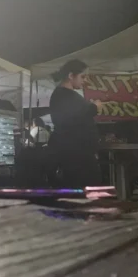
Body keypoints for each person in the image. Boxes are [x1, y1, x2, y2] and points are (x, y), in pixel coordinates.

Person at [49, 59, 102, 188]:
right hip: (76, 157)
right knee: (84, 193)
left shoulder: (66, 95)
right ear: (71, 76)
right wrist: (94, 107)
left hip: (78, 155)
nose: (84, 80)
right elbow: (73, 119)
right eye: (82, 76)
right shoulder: (64, 96)